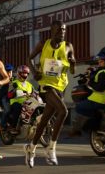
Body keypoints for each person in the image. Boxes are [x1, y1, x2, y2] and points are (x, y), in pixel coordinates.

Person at [24, 20, 75, 168]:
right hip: (46, 85)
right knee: (63, 111)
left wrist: (73, 63)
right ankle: (51, 148)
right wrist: (34, 73)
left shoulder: (68, 46)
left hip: (60, 87)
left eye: (64, 30)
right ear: (52, 31)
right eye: (59, 30)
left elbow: (72, 71)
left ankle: (31, 148)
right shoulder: (43, 44)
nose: (62, 33)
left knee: (45, 119)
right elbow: (29, 59)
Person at [70, 50, 105, 136]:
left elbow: (100, 87)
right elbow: (96, 75)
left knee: (79, 107)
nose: (99, 63)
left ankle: (86, 127)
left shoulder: (103, 73)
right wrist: (91, 72)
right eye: (99, 61)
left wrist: (88, 82)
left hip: (99, 99)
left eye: (101, 62)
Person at [4, 65, 34, 131]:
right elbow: (9, 95)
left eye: (26, 73)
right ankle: (13, 126)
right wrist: (14, 92)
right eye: (23, 73)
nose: (24, 75)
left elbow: (34, 93)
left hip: (27, 103)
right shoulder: (13, 83)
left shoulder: (29, 85)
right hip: (16, 102)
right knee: (18, 107)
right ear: (19, 73)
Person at [0, 63, 14, 128]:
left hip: (15, 98)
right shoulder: (1, 81)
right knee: (7, 110)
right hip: (4, 98)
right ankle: (2, 125)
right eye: (7, 72)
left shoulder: (15, 80)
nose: (9, 73)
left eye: (10, 72)